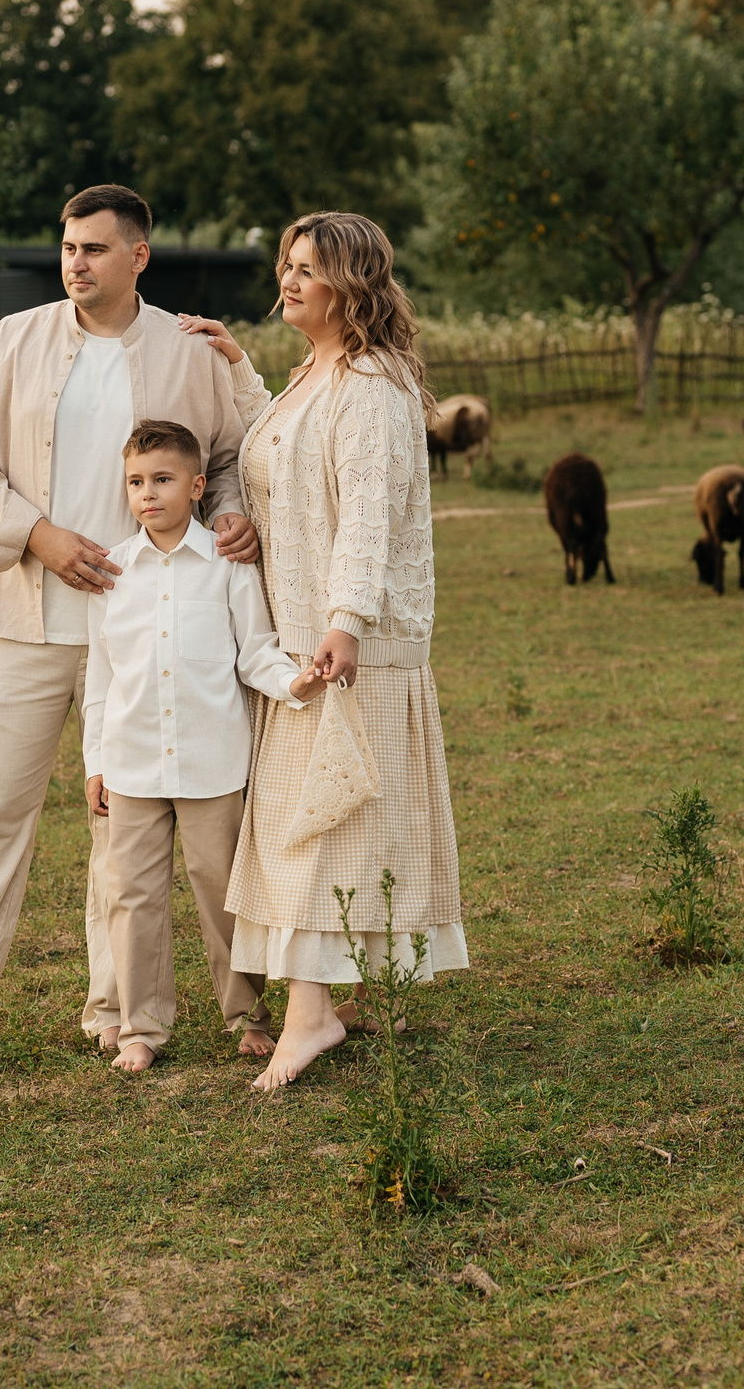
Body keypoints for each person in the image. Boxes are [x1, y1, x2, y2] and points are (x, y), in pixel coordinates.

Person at [0, 185, 273, 1062]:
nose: (75, 261)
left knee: (118, 831)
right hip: (22, 619)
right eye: (67, 246)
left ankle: (113, 1009)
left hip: (149, 636)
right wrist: (40, 534)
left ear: (138, 255)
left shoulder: (190, 348)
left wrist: (233, 516)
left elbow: (237, 457)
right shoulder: (10, 342)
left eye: (95, 247)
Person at [179, 211, 466, 1092]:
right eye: (287, 264)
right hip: (302, 637)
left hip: (350, 643)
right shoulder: (317, 375)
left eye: (309, 268)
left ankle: (309, 1013)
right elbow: (281, 451)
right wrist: (239, 368)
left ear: (353, 285)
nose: (290, 280)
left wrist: (343, 622)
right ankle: (327, 1000)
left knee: (323, 826)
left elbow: (369, 517)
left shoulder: (373, 385)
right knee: (321, 825)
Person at [84, 419, 321, 1073]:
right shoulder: (112, 572)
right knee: (130, 894)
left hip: (213, 763)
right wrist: (95, 762)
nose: (147, 493)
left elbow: (257, 654)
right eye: (136, 481)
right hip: (131, 764)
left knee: (221, 889)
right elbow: (99, 677)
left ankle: (247, 1015)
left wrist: (296, 683)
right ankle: (142, 1026)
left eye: (161, 479)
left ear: (195, 486)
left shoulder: (227, 565)